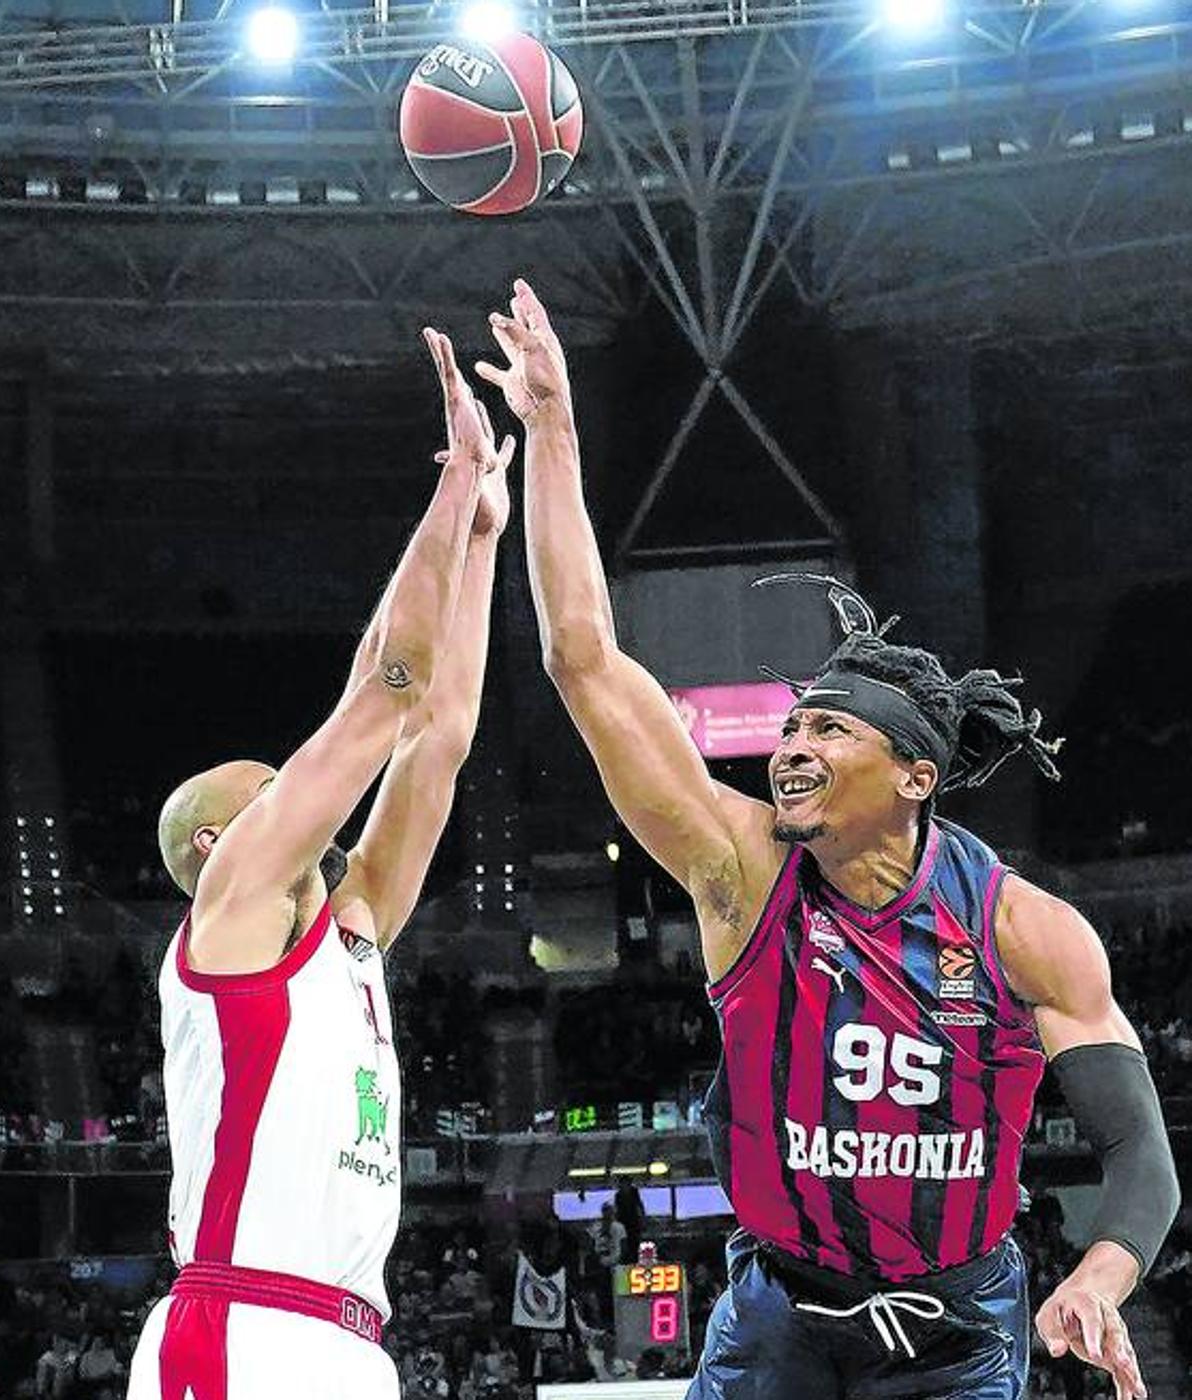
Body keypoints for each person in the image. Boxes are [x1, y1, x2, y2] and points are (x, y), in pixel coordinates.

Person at [474, 278, 1180, 1399]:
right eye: (791, 726)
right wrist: (554, 427)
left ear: (915, 774)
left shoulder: (1023, 930)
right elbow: (583, 658)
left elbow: (1139, 1152)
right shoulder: (742, 865)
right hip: (777, 1310)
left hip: (954, 1324)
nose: (791, 746)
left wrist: (1100, 1271)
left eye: (827, 729)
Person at [126, 328, 514, 1400]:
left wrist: (482, 543)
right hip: (241, 1324)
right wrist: (453, 487)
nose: (299, 789)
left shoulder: (346, 931)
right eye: (272, 784)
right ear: (218, 844)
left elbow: (438, 734)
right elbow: (387, 688)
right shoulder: (234, 911)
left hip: (351, 1338)